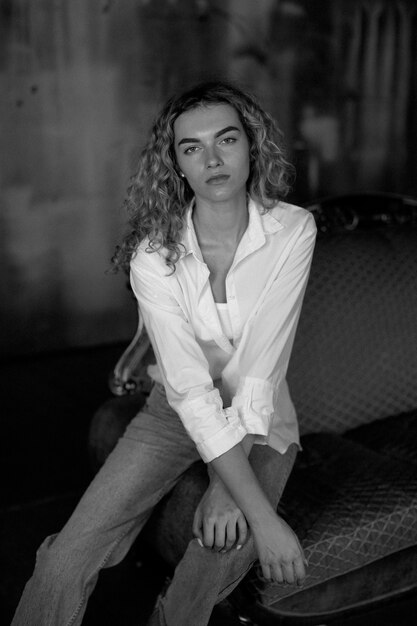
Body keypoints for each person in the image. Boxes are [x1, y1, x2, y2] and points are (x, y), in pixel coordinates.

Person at [12, 81, 316, 626]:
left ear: (252, 145)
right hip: (174, 409)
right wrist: (263, 516)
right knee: (65, 561)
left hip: (262, 416)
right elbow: (191, 390)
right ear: (175, 163)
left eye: (226, 140)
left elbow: (259, 371)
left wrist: (231, 488)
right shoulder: (153, 254)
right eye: (191, 147)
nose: (212, 159)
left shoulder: (293, 231)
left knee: (211, 563)